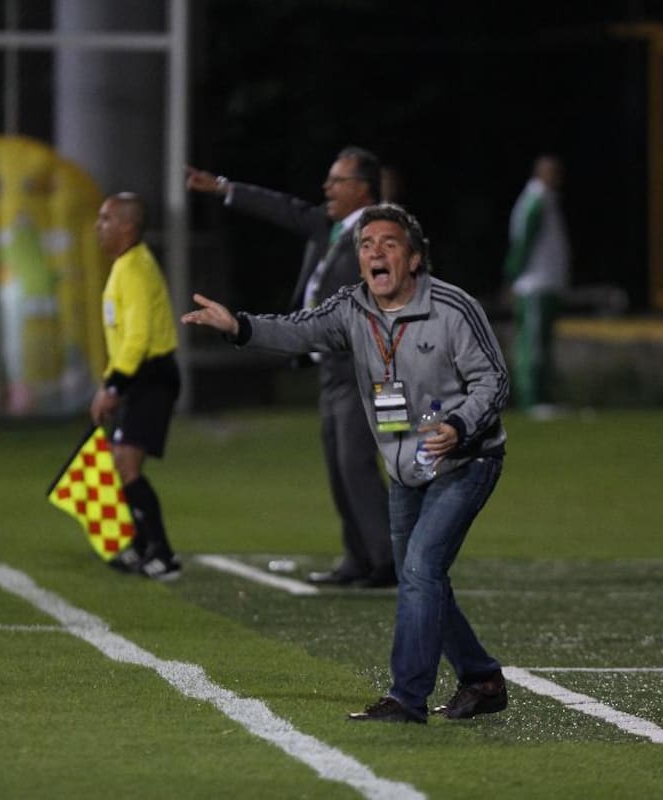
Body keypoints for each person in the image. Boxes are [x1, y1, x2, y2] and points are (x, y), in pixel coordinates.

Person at [182, 203, 510, 724]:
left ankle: (407, 697)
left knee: (422, 570)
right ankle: (482, 679)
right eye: (365, 245)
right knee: (420, 577)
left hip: (467, 460)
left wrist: (459, 426)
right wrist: (238, 326)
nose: (375, 252)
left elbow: (493, 380)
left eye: (389, 243)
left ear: (416, 259)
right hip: (406, 469)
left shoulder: (453, 307)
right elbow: (298, 330)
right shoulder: (352, 308)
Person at [185, 147, 395, 588]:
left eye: (337, 181)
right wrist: (225, 189)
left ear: (362, 189)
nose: (327, 188)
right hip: (330, 368)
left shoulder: (381, 235)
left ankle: (386, 560)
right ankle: (358, 558)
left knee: (355, 462)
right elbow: (284, 209)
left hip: (363, 368)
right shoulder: (330, 227)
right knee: (339, 466)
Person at [90, 192, 182, 581]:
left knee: (126, 463)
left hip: (151, 375)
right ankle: (143, 546)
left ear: (127, 226)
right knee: (119, 462)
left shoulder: (135, 268)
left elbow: (138, 337)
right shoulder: (125, 265)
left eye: (106, 219)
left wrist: (113, 385)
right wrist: (112, 382)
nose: (99, 225)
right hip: (139, 376)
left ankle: (161, 553)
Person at [503, 154, 571, 416]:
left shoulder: (547, 200)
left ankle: (543, 397)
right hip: (534, 284)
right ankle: (530, 399)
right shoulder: (535, 201)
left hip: (546, 283)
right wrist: (512, 276)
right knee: (532, 345)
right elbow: (523, 243)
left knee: (542, 343)